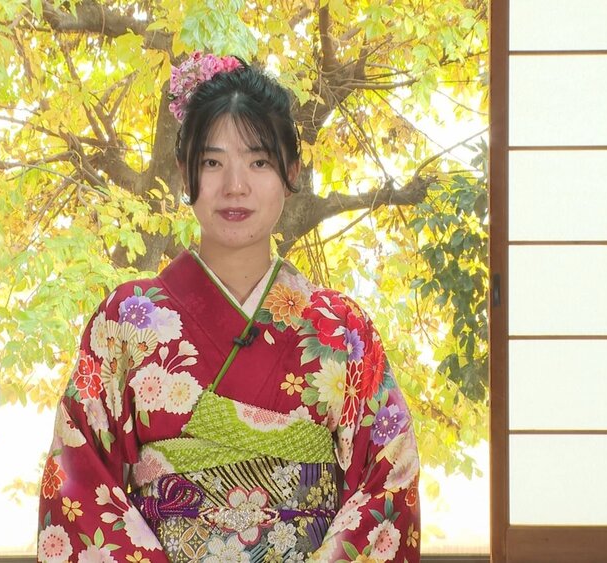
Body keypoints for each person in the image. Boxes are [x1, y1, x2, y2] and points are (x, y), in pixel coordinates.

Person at [37, 52, 420, 563]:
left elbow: (389, 477)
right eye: (212, 162)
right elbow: (78, 480)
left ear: (291, 171)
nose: (235, 185)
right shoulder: (126, 321)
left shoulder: (342, 331)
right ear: (184, 173)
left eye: (259, 162)